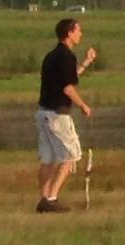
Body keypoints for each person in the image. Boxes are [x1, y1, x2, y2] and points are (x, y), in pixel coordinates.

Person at [36, 17, 93, 212]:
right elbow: (68, 88)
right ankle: (51, 198)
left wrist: (86, 62)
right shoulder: (67, 56)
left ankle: (43, 199)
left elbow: (68, 77)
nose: (80, 34)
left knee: (48, 159)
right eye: (78, 30)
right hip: (58, 115)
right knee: (70, 156)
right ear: (69, 33)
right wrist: (83, 105)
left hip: (43, 112)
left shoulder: (51, 56)